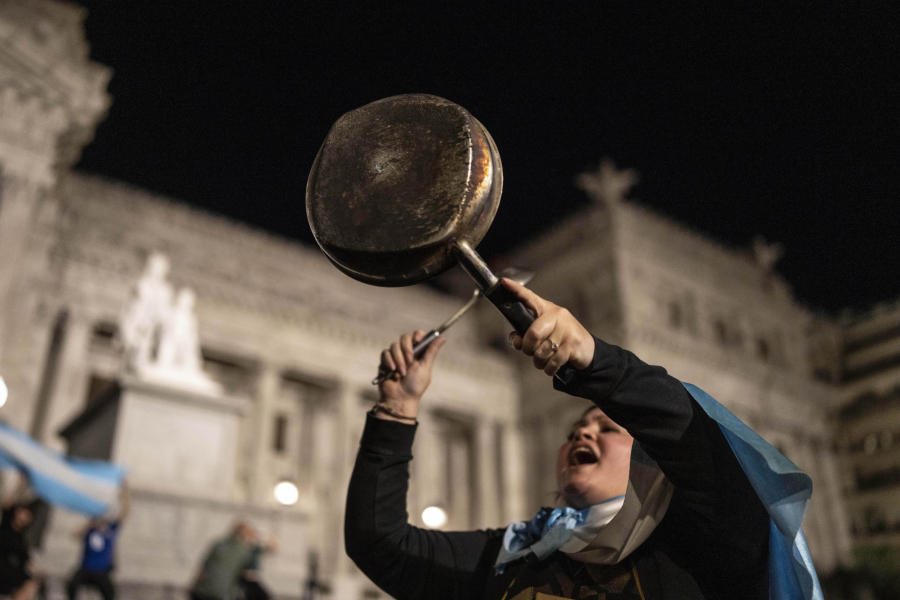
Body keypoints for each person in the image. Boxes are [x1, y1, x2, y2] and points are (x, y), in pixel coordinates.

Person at [345, 278, 821, 600]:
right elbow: (381, 547)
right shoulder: (520, 551)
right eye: (574, 431)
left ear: (653, 464)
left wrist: (593, 361)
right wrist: (395, 409)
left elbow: (691, 433)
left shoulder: (705, 540)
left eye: (608, 427)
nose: (584, 432)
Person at [66, 483, 130, 600]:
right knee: (71, 585)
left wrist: (125, 493)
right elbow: (75, 536)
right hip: (85, 569)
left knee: (110, 594)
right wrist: (90, 524)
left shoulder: (111, 528)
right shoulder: (90, 529)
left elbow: (125, 512)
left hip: (102, 572)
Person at [190, 522, 263, 600]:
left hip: (202, 590)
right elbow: (250, 575)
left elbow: (203, 569)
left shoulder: (219, 544)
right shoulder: (245, 552)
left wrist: (193, 586)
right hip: (221, 594)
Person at [0, 475, 40, 600]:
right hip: (4, 568)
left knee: (31, 583)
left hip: (10, 571)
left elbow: (25, 558)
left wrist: (35, 571)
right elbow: (9, 503)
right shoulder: (6, 525)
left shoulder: (21, 537)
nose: (24, 516)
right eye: (22, 512)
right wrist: (21, 485)